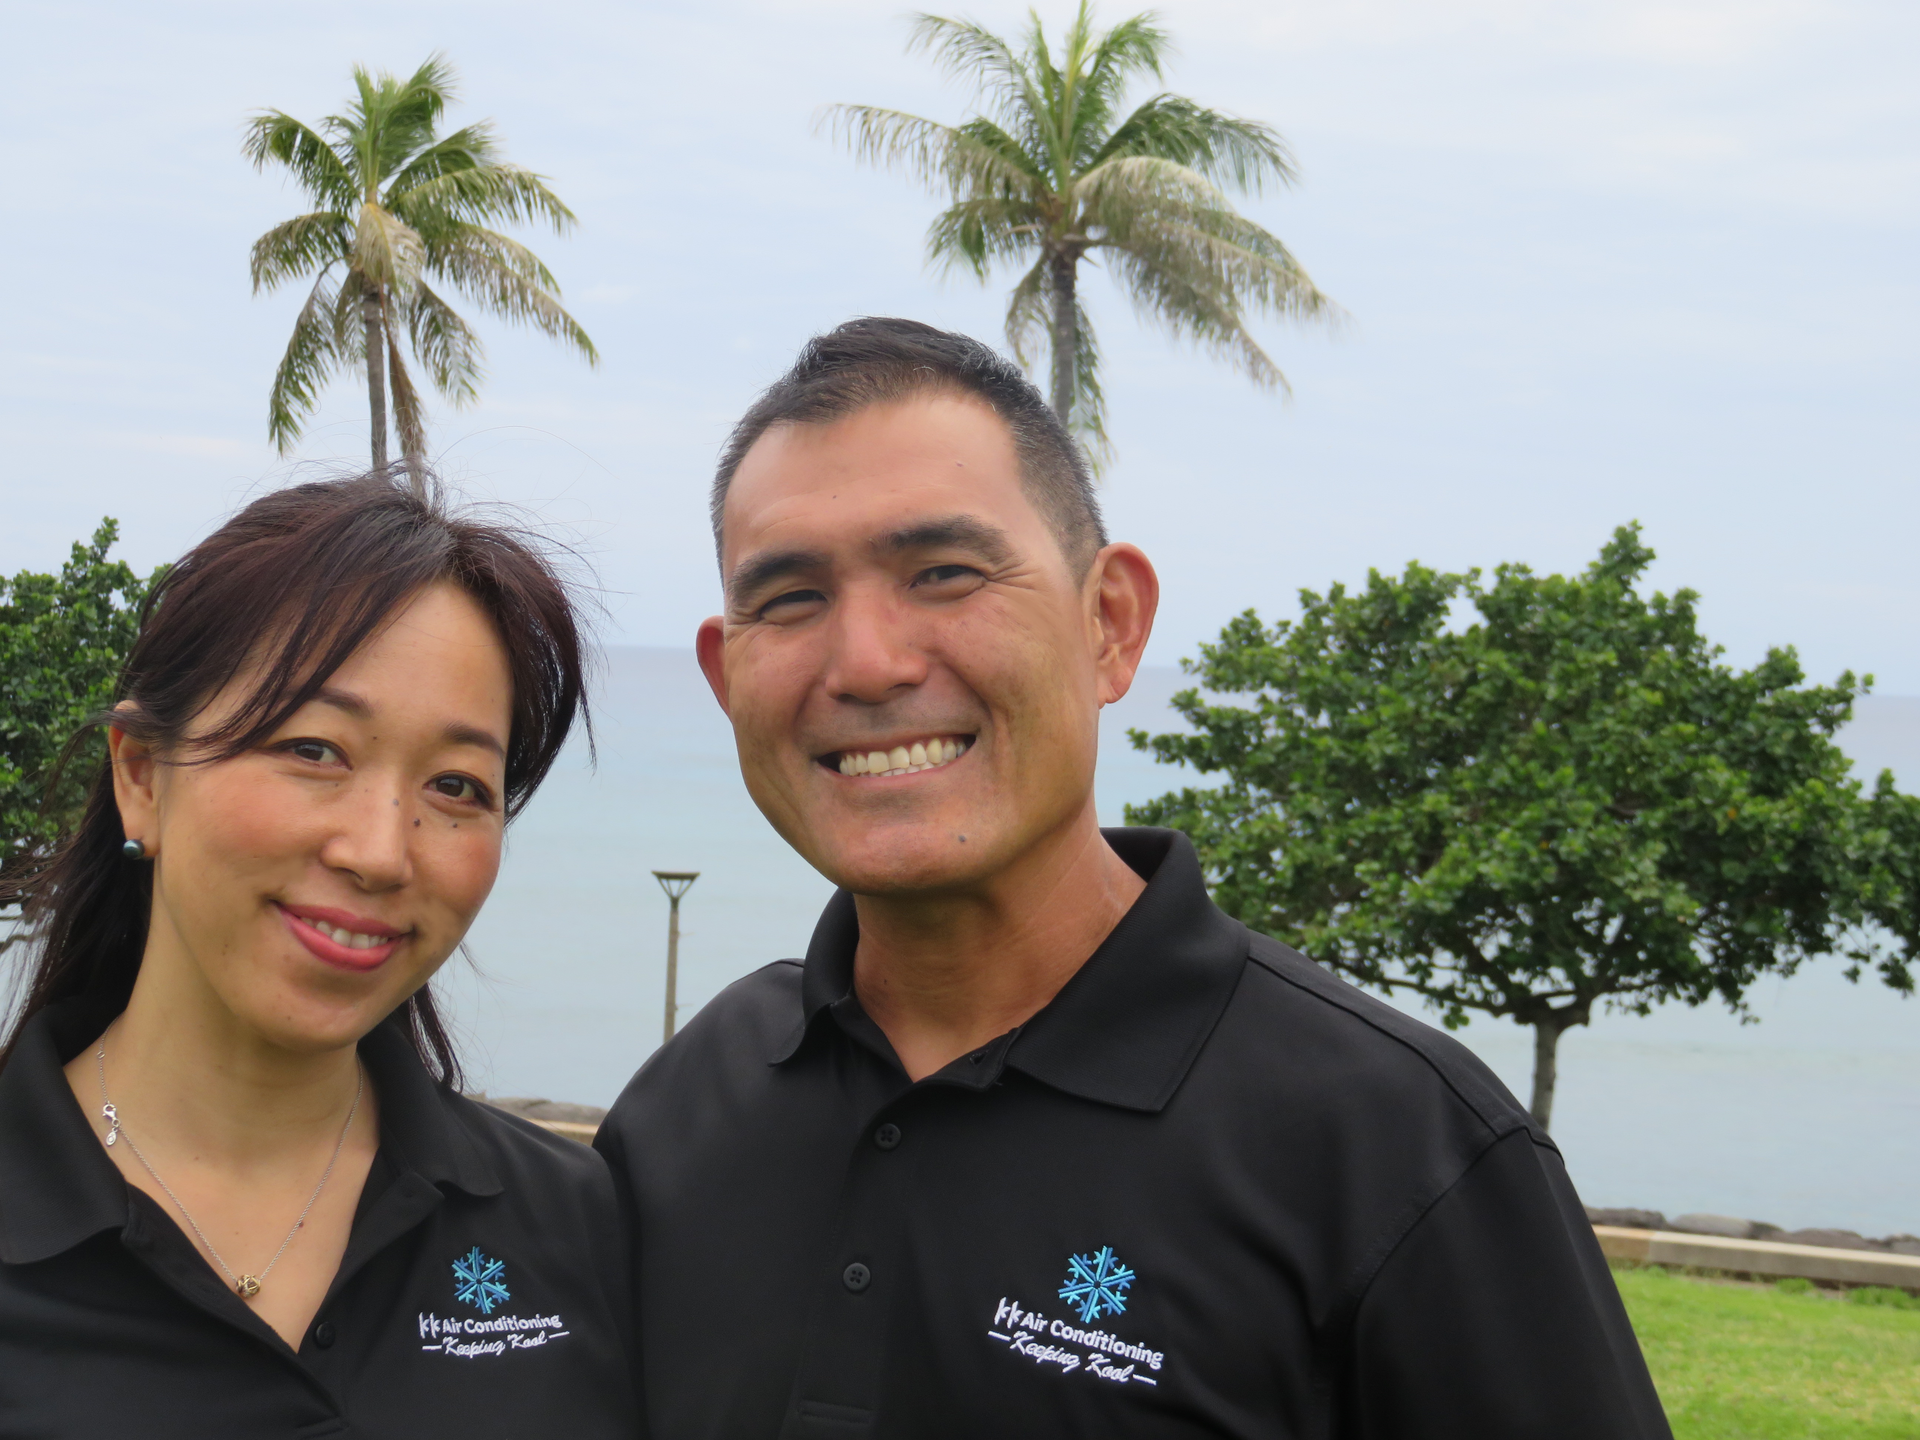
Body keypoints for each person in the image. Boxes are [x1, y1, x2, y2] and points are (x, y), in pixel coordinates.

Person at [596, 318, 1672, 1438]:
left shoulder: (1399, 1152)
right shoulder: (691, 1103)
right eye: (792, 599)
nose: (868, 662)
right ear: (727, 677)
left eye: (945, 573)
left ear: (1109, 624)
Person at [0, 471, 639, 1437]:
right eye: (313, 750)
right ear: (141, 777)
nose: (382, 852)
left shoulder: (572, 1222)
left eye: (458, 785)